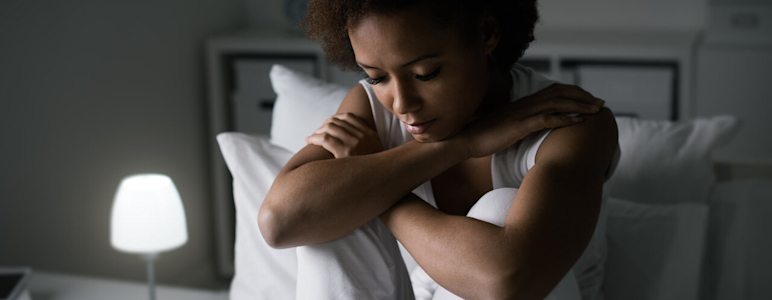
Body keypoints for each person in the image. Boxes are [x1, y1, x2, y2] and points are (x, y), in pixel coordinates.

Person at [259, 0, 621, 299]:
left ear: (486, 33)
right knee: (327, 210)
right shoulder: (371, 109)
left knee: (499, 208)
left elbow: (506, 282)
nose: (401, 104)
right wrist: (463, 144)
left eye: (425, 73)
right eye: (376, 77)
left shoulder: (569, 124)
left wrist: (381, 195)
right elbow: (279, 222)